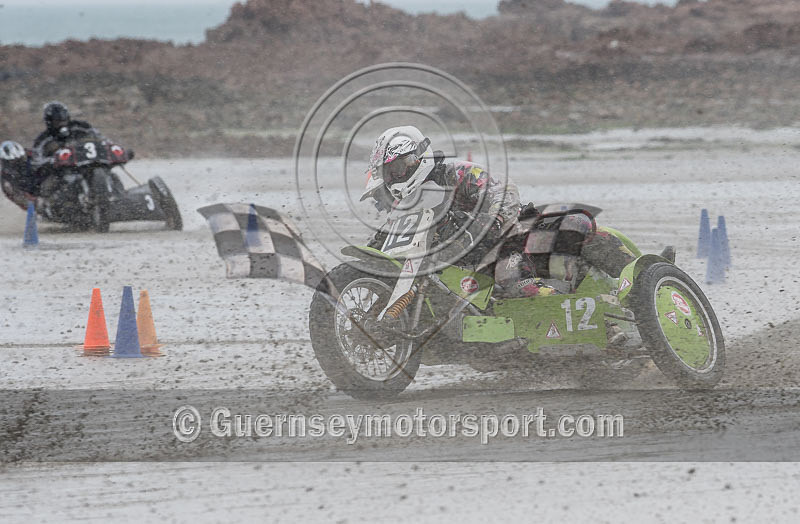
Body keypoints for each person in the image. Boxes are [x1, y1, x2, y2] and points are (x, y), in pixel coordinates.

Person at [360, 126, 637, 300]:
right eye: (389, 174)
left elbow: (501, 190)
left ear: (412, 160)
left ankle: (636, 284)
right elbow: (386, 240)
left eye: (395, 170)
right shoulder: (406, 203)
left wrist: (494, 220)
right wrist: (367, 257)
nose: (394, 178)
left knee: (572, 225)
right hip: (466, 265)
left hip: (511, 236)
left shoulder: (454, 172)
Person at [32, 101, 105, 174]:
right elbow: (37, 159)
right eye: (57, 121)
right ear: (49, 122)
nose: (62, 123)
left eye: (64, 119)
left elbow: (100, 137)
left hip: (88, 162)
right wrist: (51, 160)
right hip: (62, 171)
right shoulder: (43, 139)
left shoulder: (80, 126)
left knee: (113, 170)